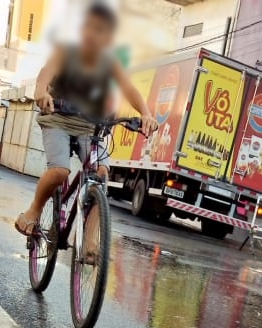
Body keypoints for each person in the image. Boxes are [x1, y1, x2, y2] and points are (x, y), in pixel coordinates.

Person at [15, 1, 157, 235]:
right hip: (57, 119)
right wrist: (41, 91)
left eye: (99, 30)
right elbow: (46, 73)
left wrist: (146, 113)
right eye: (88, 27)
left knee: (101, 173)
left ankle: (90, 243)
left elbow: (130, 90)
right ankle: (33, 211)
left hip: (90, 127)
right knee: (60, 171)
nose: (92, 34)